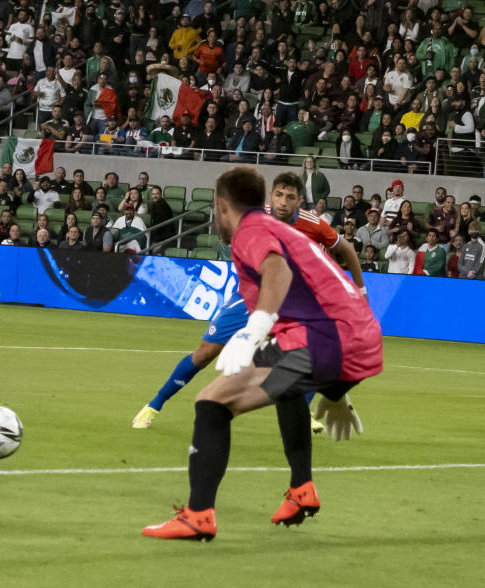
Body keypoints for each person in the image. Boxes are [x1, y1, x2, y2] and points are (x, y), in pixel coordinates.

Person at [142, 167, 382, 541]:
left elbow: (277, 271)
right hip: (353, 336)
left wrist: (253, 330)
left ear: (222, 206)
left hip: (326, 339)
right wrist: (335, 389)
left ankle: (198, 515)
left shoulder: (251, 232)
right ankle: (302, 489)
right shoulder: (282, 229)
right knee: (284, 389)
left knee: (211, 401)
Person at [133, 173, 367, 433]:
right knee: (205, 353)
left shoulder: (314, 224)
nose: (283, 201)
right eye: (279, 194)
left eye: (291, 197)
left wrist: (361, 290)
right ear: (271, 196)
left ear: (300, 200)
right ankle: (154, 405)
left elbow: (345, 249)